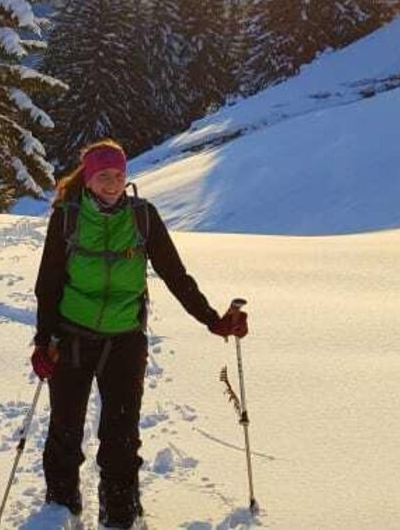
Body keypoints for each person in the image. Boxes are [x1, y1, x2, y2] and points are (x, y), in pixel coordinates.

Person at [31, 139, 248, 529]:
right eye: (103, 176)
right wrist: (43, 343)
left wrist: (212, 320)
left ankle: (120, 513)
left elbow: (175, 275)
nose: (112, 183)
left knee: (121, 436)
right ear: (89, 178)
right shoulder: (67, 217)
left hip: (125, 341)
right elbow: (48, 285)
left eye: (119, 175)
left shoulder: (143, 217)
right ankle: (61, 507)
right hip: (71, 337)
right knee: (65, 428)